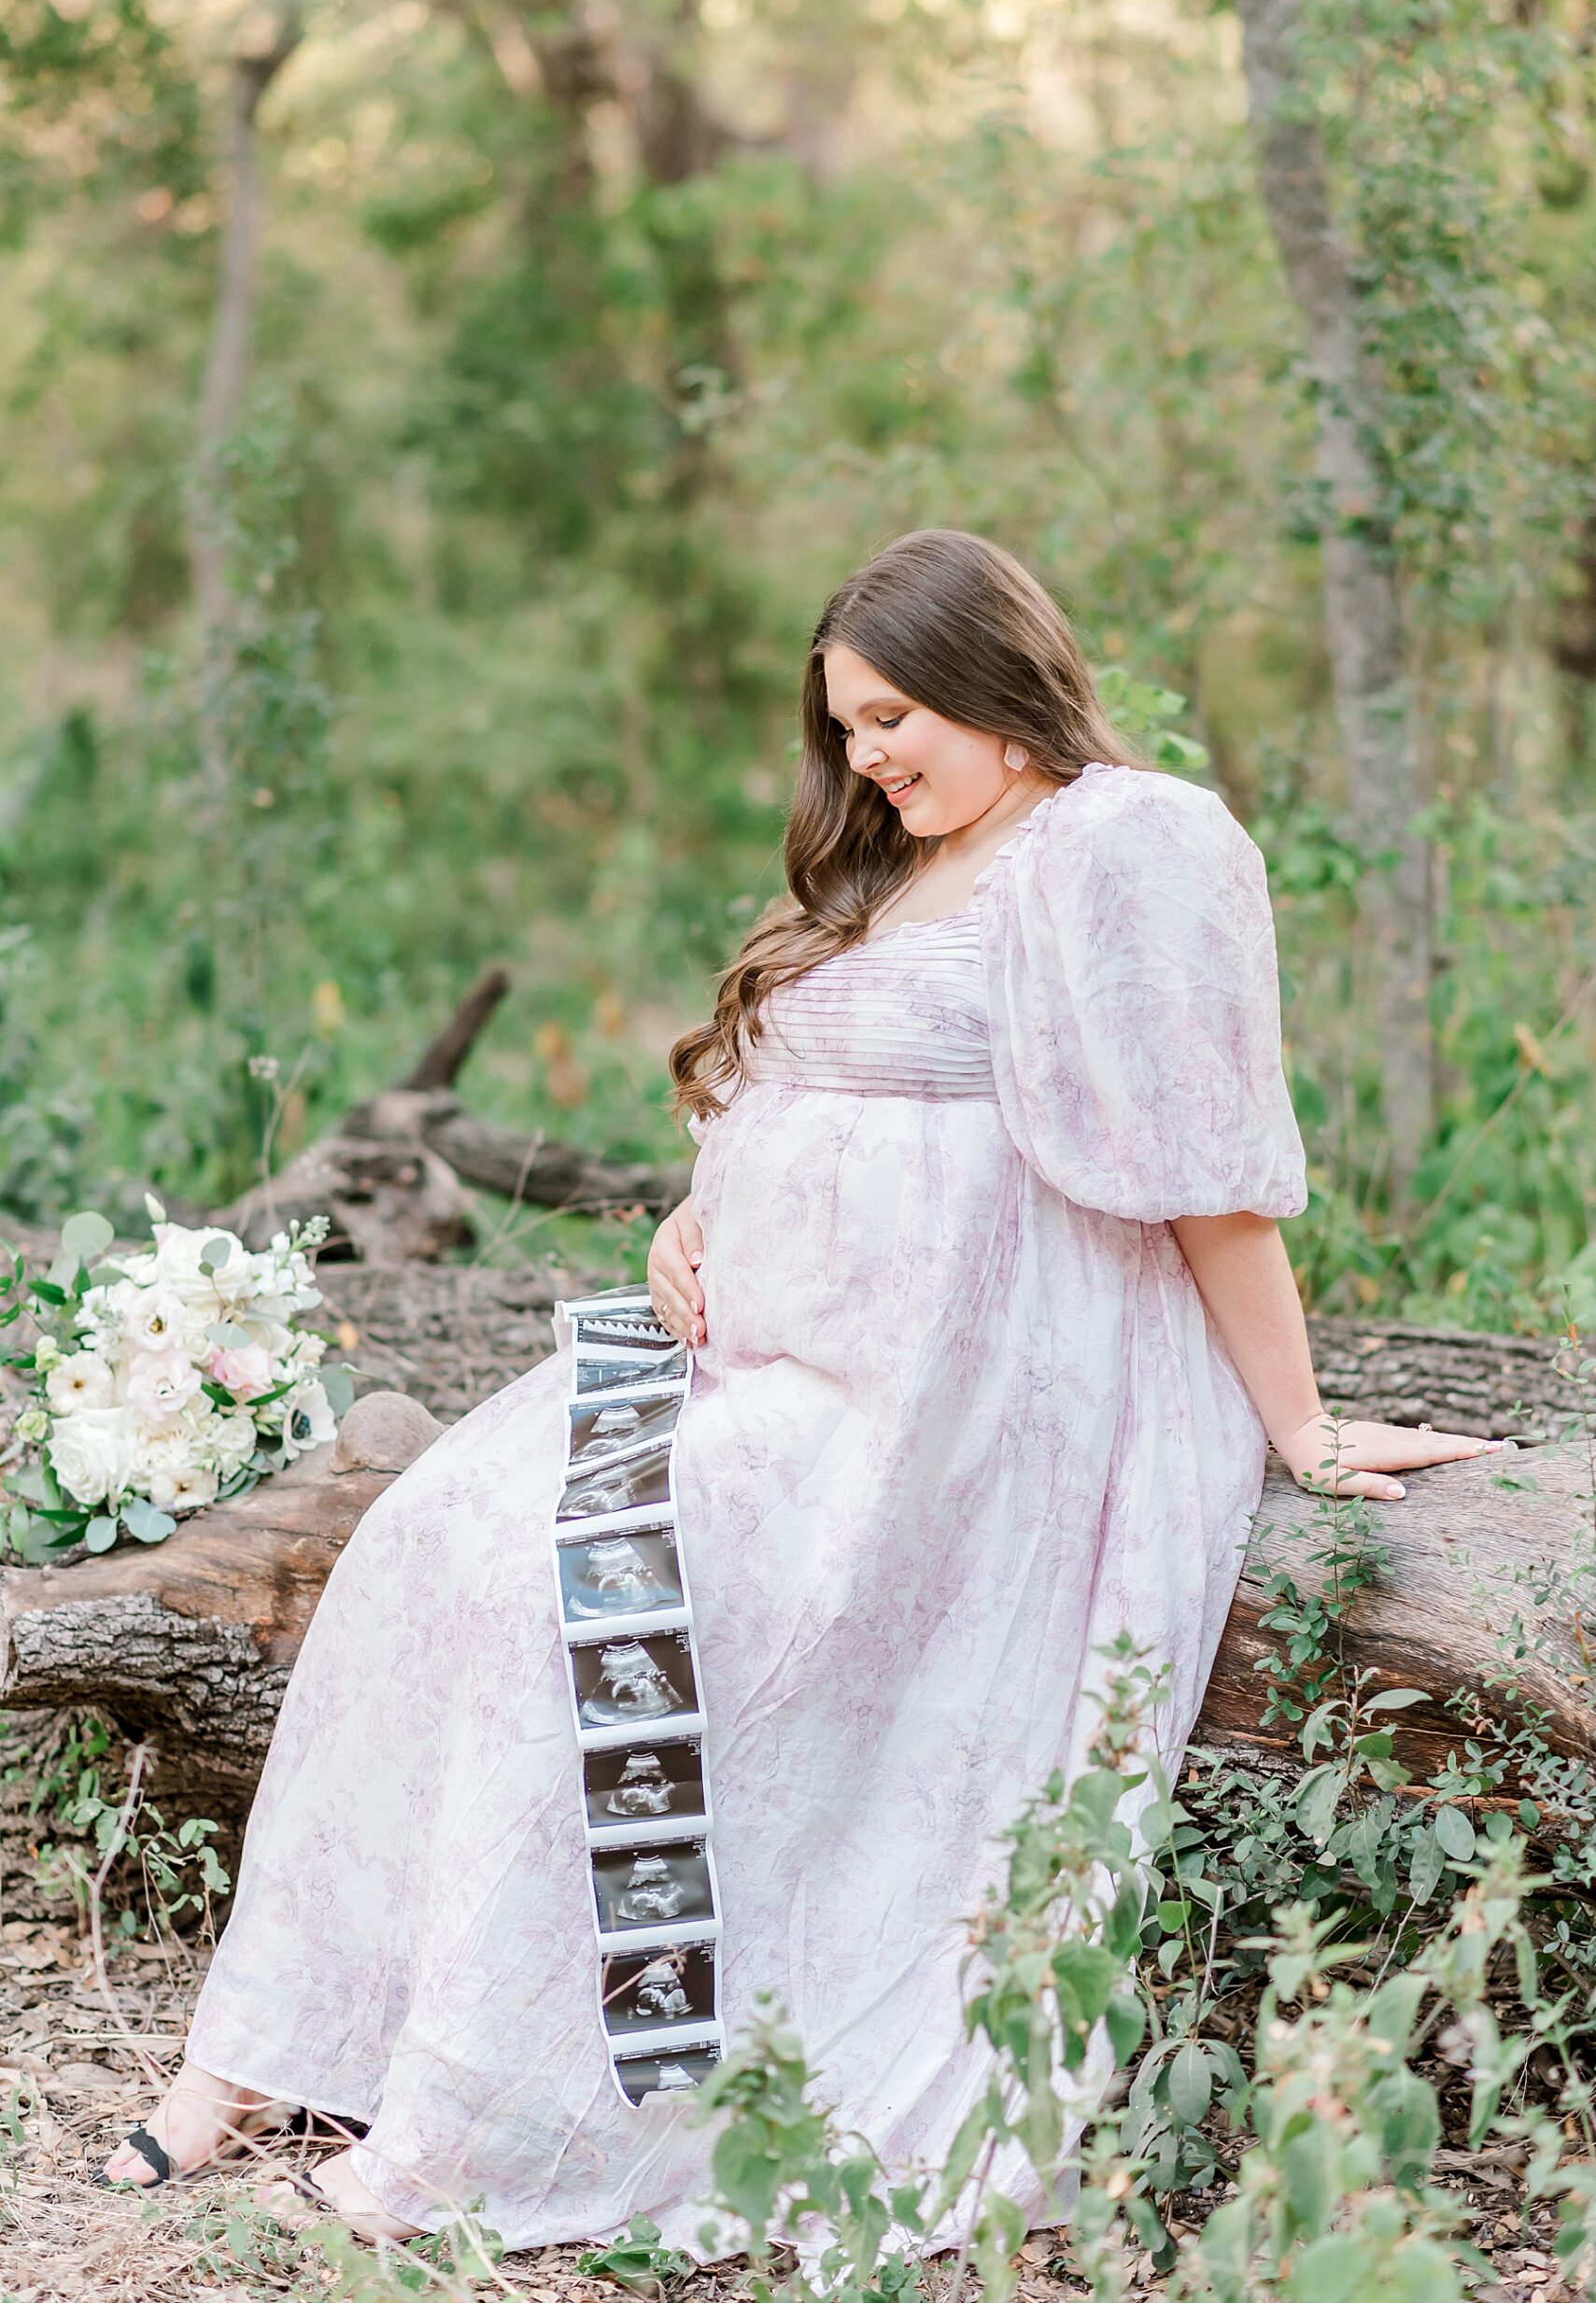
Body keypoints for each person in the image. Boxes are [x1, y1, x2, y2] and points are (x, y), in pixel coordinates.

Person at [100, 529, 1497, 2242]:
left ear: (1002, 685)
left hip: (939, 1415)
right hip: (758, 1355)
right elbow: (805, 1086)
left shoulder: (1117, 844)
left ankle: (498, 2101)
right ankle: (257, 2051)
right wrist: (698, 1215)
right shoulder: (895, 864)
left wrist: (1296, 1420)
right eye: (845, 726)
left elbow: (1202, 1170)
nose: (867, 757)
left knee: (589, 1595)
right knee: (431, 1537)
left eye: (896, 713)